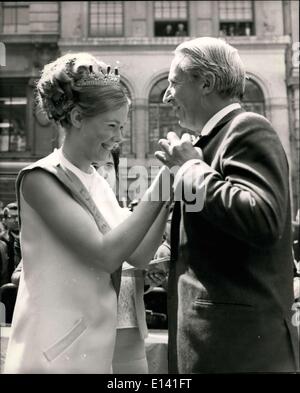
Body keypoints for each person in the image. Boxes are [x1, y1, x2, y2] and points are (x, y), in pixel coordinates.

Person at [4, 52, 172, 374]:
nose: (118, 138)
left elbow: (138, 254)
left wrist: (168, 195)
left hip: (95, 349)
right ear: (78, 118)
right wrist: (163, 182)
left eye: (122, 127)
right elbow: (106, 256)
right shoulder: (40, 179)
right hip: (52, 353)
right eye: (111, 125)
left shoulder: (97, 181)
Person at [155, 37, 299, 373]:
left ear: (205, 83)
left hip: (239, 350)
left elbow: (262, 219)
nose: (167, 95)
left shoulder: (247, 128)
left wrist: (190, 168)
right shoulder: (209, 142)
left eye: (174, 82)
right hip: (220, 345)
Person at [96, 149, 149, 374]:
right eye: (95, 167)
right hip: (92, 326)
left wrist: (149, 276)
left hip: (131, 325)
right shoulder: (71, 215)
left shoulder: (130, 218)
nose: (103, 174)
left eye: (109, 166)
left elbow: (141, 261)